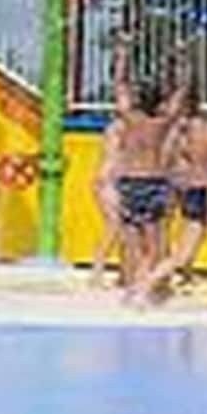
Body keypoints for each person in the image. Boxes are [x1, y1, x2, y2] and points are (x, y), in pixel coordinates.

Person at [107, 35, 192, 298]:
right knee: (156, 241)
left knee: (132, 241)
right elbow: (183, 89)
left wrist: (123, 52)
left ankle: (132, 288)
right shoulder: (163, 123)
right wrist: (182, 58)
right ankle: (153, 290)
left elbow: (119, 84)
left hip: (129, 182)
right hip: (154, 181)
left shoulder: (129, 119)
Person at [138, 105, 207, 309]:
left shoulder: (190, 139)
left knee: (181, 256)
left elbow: (185, 169)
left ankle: (142, 289)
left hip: (193, 194)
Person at [87, 118, 126, 289]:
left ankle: (124, 274)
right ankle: (97, 270)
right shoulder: (118, 126)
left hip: (112, 178)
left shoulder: (122, 125)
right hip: (108, 179)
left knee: (124, 228)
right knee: (114, 225)